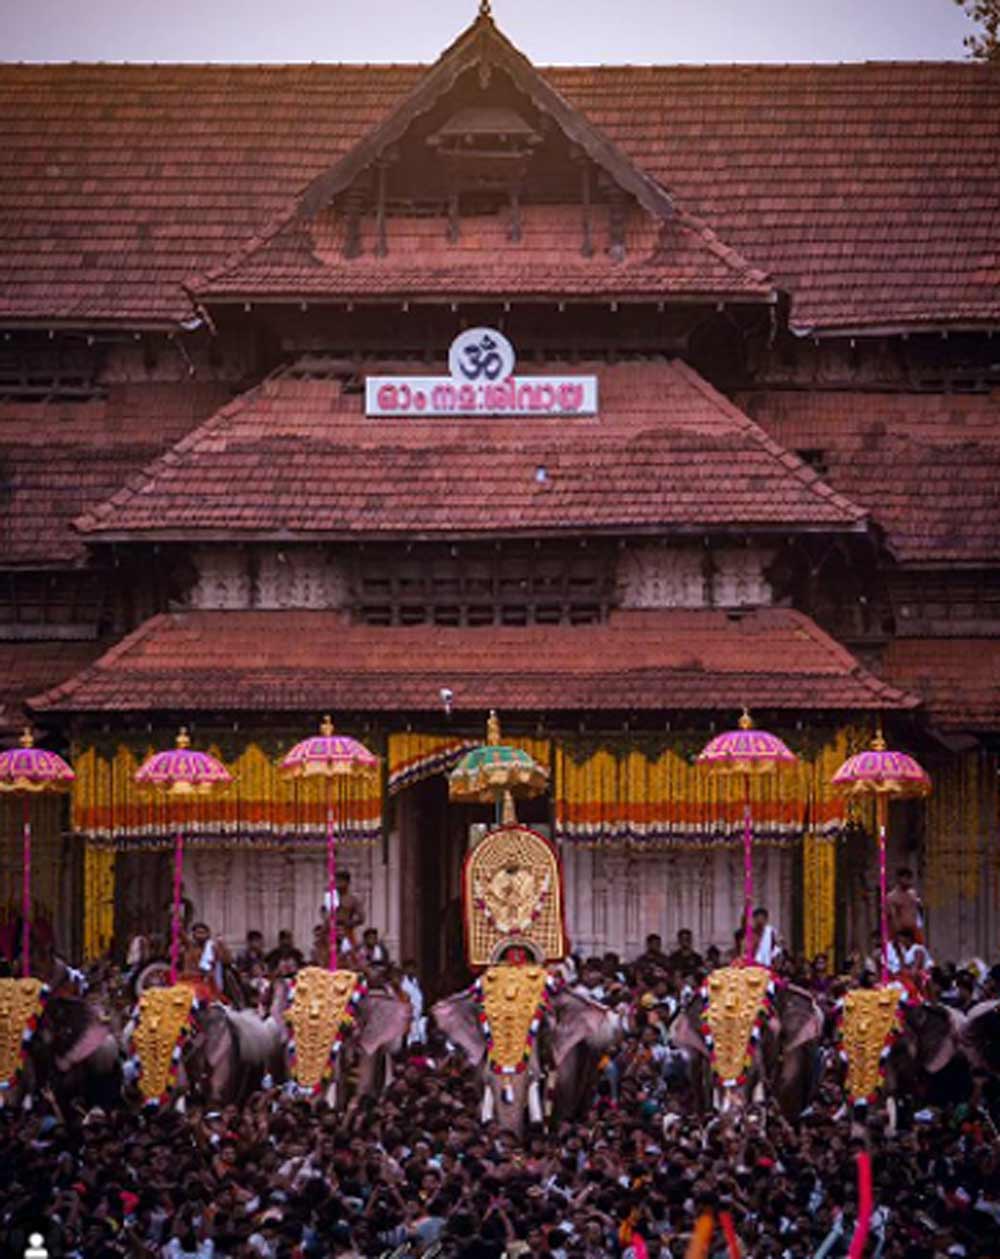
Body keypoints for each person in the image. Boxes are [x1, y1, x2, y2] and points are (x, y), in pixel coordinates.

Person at [179, 922, 231, 999]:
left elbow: (226, 960)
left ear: (208, 934)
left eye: (202, 933)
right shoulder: (190, 946)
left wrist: (222, 945)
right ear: (193, 935)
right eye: (198, 933)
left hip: (206, 982)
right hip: (188, 980)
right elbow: (181, 934)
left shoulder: (213, 948)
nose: (200, 935)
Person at [887, 866, 925, 944]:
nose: (908, 881)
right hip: (900, 931)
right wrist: (897, 932)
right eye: (905, 878)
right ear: (899, 879)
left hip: (914, 929)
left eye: (909, 878)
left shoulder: (913, 894)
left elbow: (918, 910)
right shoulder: (892, 897)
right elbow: (892, 916)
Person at [334, 870, 365, 955]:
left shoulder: (353, 899)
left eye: (340, 881)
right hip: (331, 933)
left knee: (351, 956)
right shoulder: (330, 897)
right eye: (336, 881)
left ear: (347, 882)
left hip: (347, 932)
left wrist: (348, 923)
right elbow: (325, 914)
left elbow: (362, 918)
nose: (337, 884)